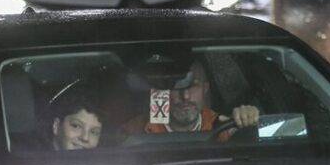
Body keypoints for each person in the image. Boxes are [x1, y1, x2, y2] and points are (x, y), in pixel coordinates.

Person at [121, 60, 259, 136]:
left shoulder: (225, 127)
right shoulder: (133, 131)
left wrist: (250, 121)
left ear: (205, 89)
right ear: (162, 92)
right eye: (176, 87)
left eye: (193, 86)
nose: (185, 96)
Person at [48, 83, 105, 151]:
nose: (85, 138)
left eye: (94, 132)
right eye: (76, 126)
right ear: (56, 126)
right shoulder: (36, 158)